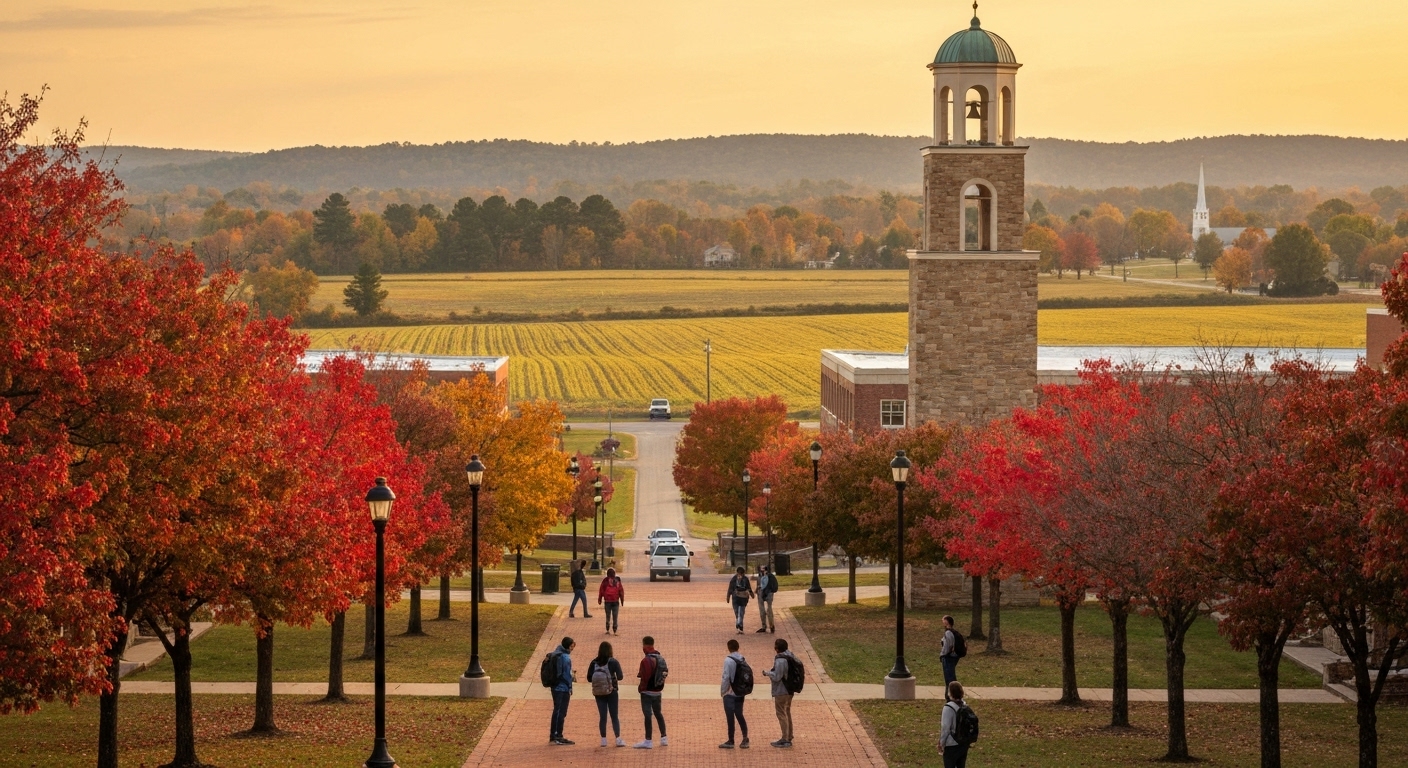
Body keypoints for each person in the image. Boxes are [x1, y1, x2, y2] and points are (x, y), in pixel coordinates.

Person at [587, 641, 625, 747]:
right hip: (612, 691)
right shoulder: (613, 662)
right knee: (614, 716)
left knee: (602, 716)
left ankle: (603, 739)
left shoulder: (594, 662)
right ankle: (618, 738)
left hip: (598, 693)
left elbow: (589, 678)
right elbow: (620, 676)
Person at [634, 635, 669, 749]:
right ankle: (664, 737)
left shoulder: (646, 660)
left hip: (647, 692)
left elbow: (645, 677)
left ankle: (648, 740)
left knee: (648, 715)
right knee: (658, 713)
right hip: (658, 691)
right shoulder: (660, 658)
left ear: (644, 645)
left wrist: (641, 689)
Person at [762, 637, 795, 748]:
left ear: (776, 648)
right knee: (787, 711)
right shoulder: (790, 655)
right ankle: (789, 735)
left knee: (781, 713)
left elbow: (777, 677)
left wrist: (767, 673)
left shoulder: (780, 660)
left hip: (782, 690)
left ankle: (785, 739)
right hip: (790, 689)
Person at [719, 638, 751, 749]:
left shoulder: (728, 660)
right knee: (739, 714)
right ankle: (745, 737)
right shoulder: (742, 658)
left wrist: (723, 691)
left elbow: (726, 677)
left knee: (730, 716)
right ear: (738, 647)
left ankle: (731, 740)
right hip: (740, 691)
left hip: (730, 692)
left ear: (728, 648)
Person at [549, 636, 576, 745]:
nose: (572, 649)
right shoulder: (565, 657)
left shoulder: (556, 654)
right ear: (568, 646)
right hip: (562, 688)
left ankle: (554, 734)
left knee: (557, 710)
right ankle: (558, 735)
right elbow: (565, 675)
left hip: (555, 687)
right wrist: (570, 685)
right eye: (571, 647)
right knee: (561, 711)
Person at [940, 680, 971, 768]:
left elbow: (945, 728)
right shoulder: (964, 705)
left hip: (951, 743)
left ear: (950, 693)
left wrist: (942, 743)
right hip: (963, 743)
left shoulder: (948, 707)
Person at [726, 566, 754, 634]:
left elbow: (730, 588)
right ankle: (739, 625)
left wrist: (728, 596)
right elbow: (749, 588)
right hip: (743, 598)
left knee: (737, 612)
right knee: (741, 612)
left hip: (736, 598)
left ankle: (739, 625)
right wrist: (751, 594)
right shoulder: (745, 579)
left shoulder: (734, 578)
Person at [598, 567, 625, 635]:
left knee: (608, 616)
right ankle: (615, 630)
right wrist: (622, 600)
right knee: (615, 616)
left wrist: (600, 599)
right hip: (615, 601)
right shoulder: (617, 580)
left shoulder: (605, 581)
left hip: (607, 601)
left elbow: (601, 590)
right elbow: (621, 591)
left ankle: (607, 629)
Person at [754, 564, 778, 633]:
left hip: (766, 593)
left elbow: (759, 585)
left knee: (767, 610)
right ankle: (767, 626)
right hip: (765, 593)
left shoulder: (767, 576)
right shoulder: (762, 576)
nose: (761, 570)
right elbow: (758, 585)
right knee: (764, 610)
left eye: (763, 569)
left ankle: (769, 626)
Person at [940, 615, 959, 687]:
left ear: (946, 622)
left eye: (943, 620)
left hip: (948, 656)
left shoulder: (948, 633)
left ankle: (952, 691)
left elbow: (948, 646)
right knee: (951, 676)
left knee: (949, 677)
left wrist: (942, 654)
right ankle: (952, 691)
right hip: (953, 656)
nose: (942, 622)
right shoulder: (953, 632)